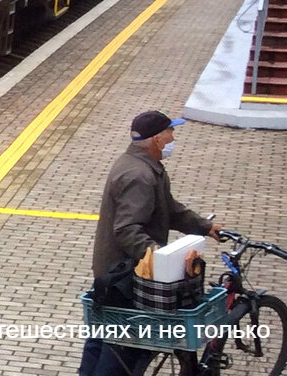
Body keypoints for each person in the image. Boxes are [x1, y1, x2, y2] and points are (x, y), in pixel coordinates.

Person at [78, 111, 224, 376]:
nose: (173, 138)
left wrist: (205, 226)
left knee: (100, 339)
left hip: (113, 273)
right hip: (124, 278)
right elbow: (127, 230)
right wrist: (160, 258)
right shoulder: (140, 176)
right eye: (171, 132)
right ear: (157, 139)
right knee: (121, 350)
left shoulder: (143, 166)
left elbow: (169, 209)